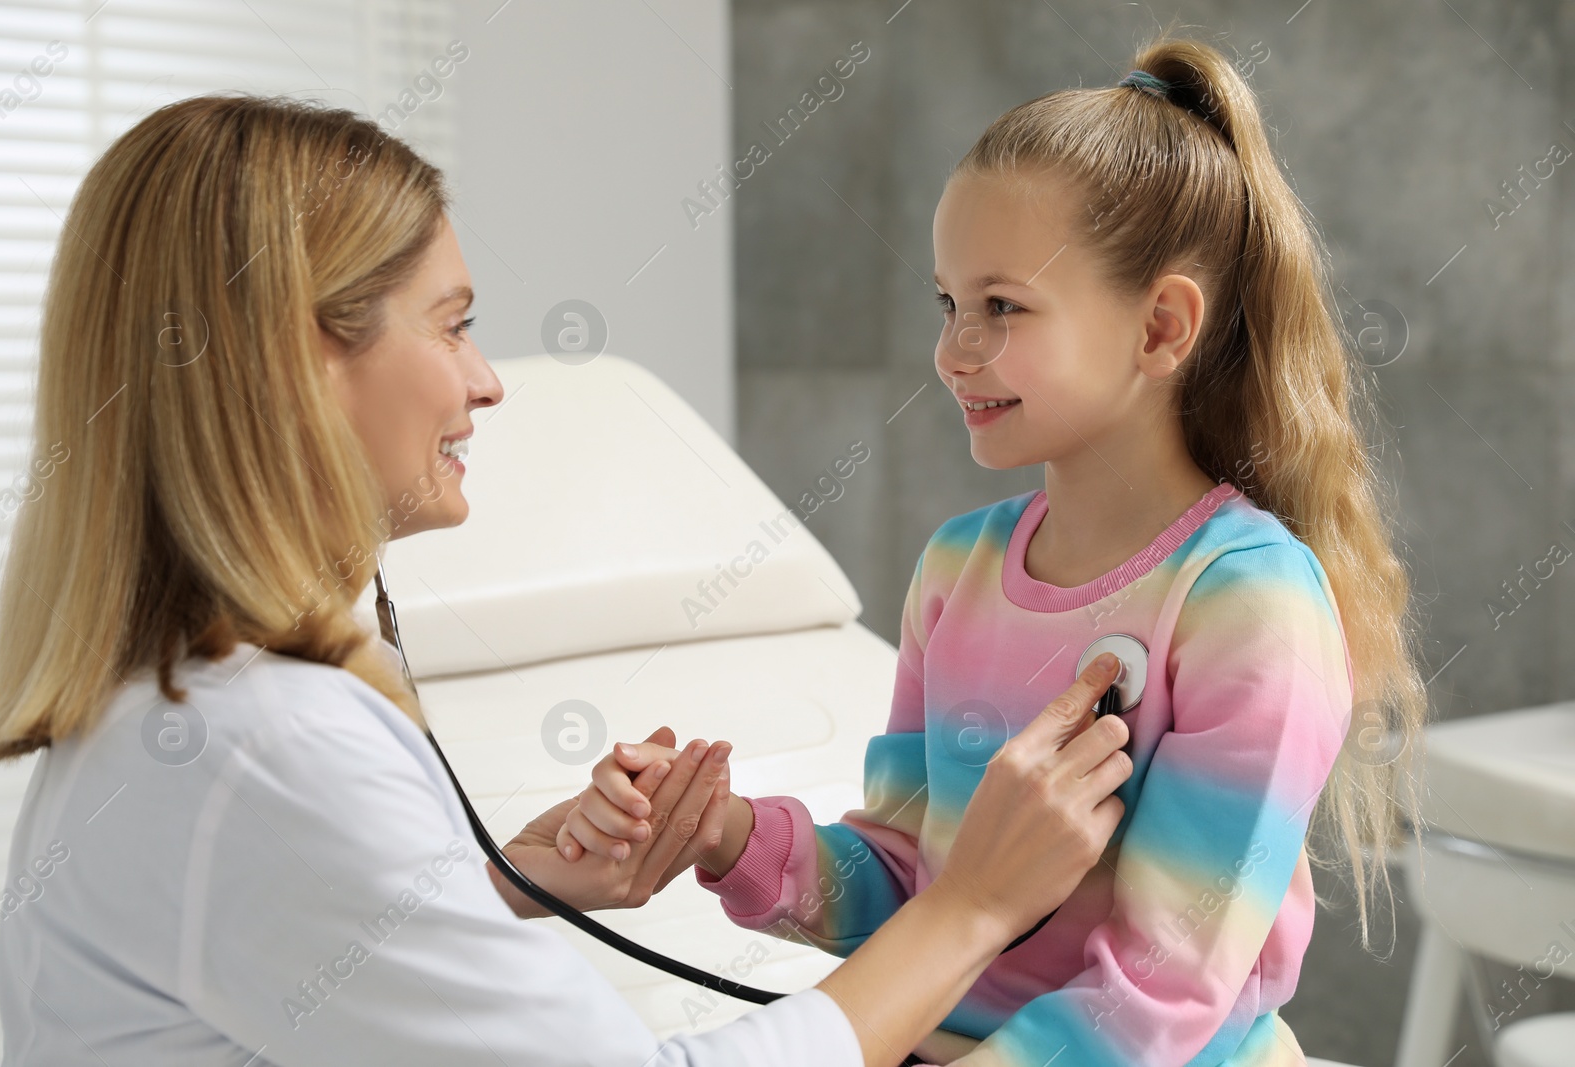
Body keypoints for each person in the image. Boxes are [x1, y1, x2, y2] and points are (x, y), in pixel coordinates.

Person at [0, 94, 1137, 1067]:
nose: (487, 382)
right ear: (297, 356)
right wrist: (971, 906)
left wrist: (504, 884)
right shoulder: (263, 745)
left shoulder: (189, 715)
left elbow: (298, 961)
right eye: (454, 325)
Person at [554, 33, 1429, 1066]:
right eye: (948, 302)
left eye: (1001, 306)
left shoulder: (1244, 602)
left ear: (1159, 330)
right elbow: (911, 885)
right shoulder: (956, 570)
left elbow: (1160, 992)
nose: (952, 348)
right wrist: (732, 835)